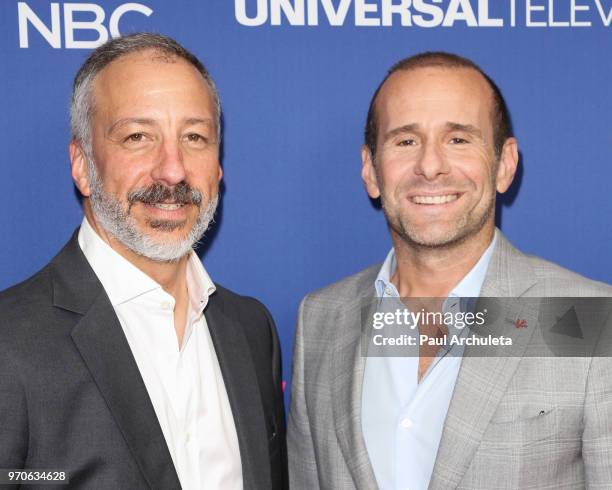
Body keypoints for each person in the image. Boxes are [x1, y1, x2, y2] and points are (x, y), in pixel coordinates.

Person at [287, 52, 612, 489]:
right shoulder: (321, 318)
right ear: (370, 170)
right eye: (406, 141)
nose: (430, 165)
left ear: (504, 164)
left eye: (458, 139)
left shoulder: (592, 316)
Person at [0, 33, 286, 490]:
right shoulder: (9, 344)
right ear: (82, 165)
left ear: (218, 165)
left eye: (194, 137)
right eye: (138, 136)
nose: (172, 170)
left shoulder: (251, 330)